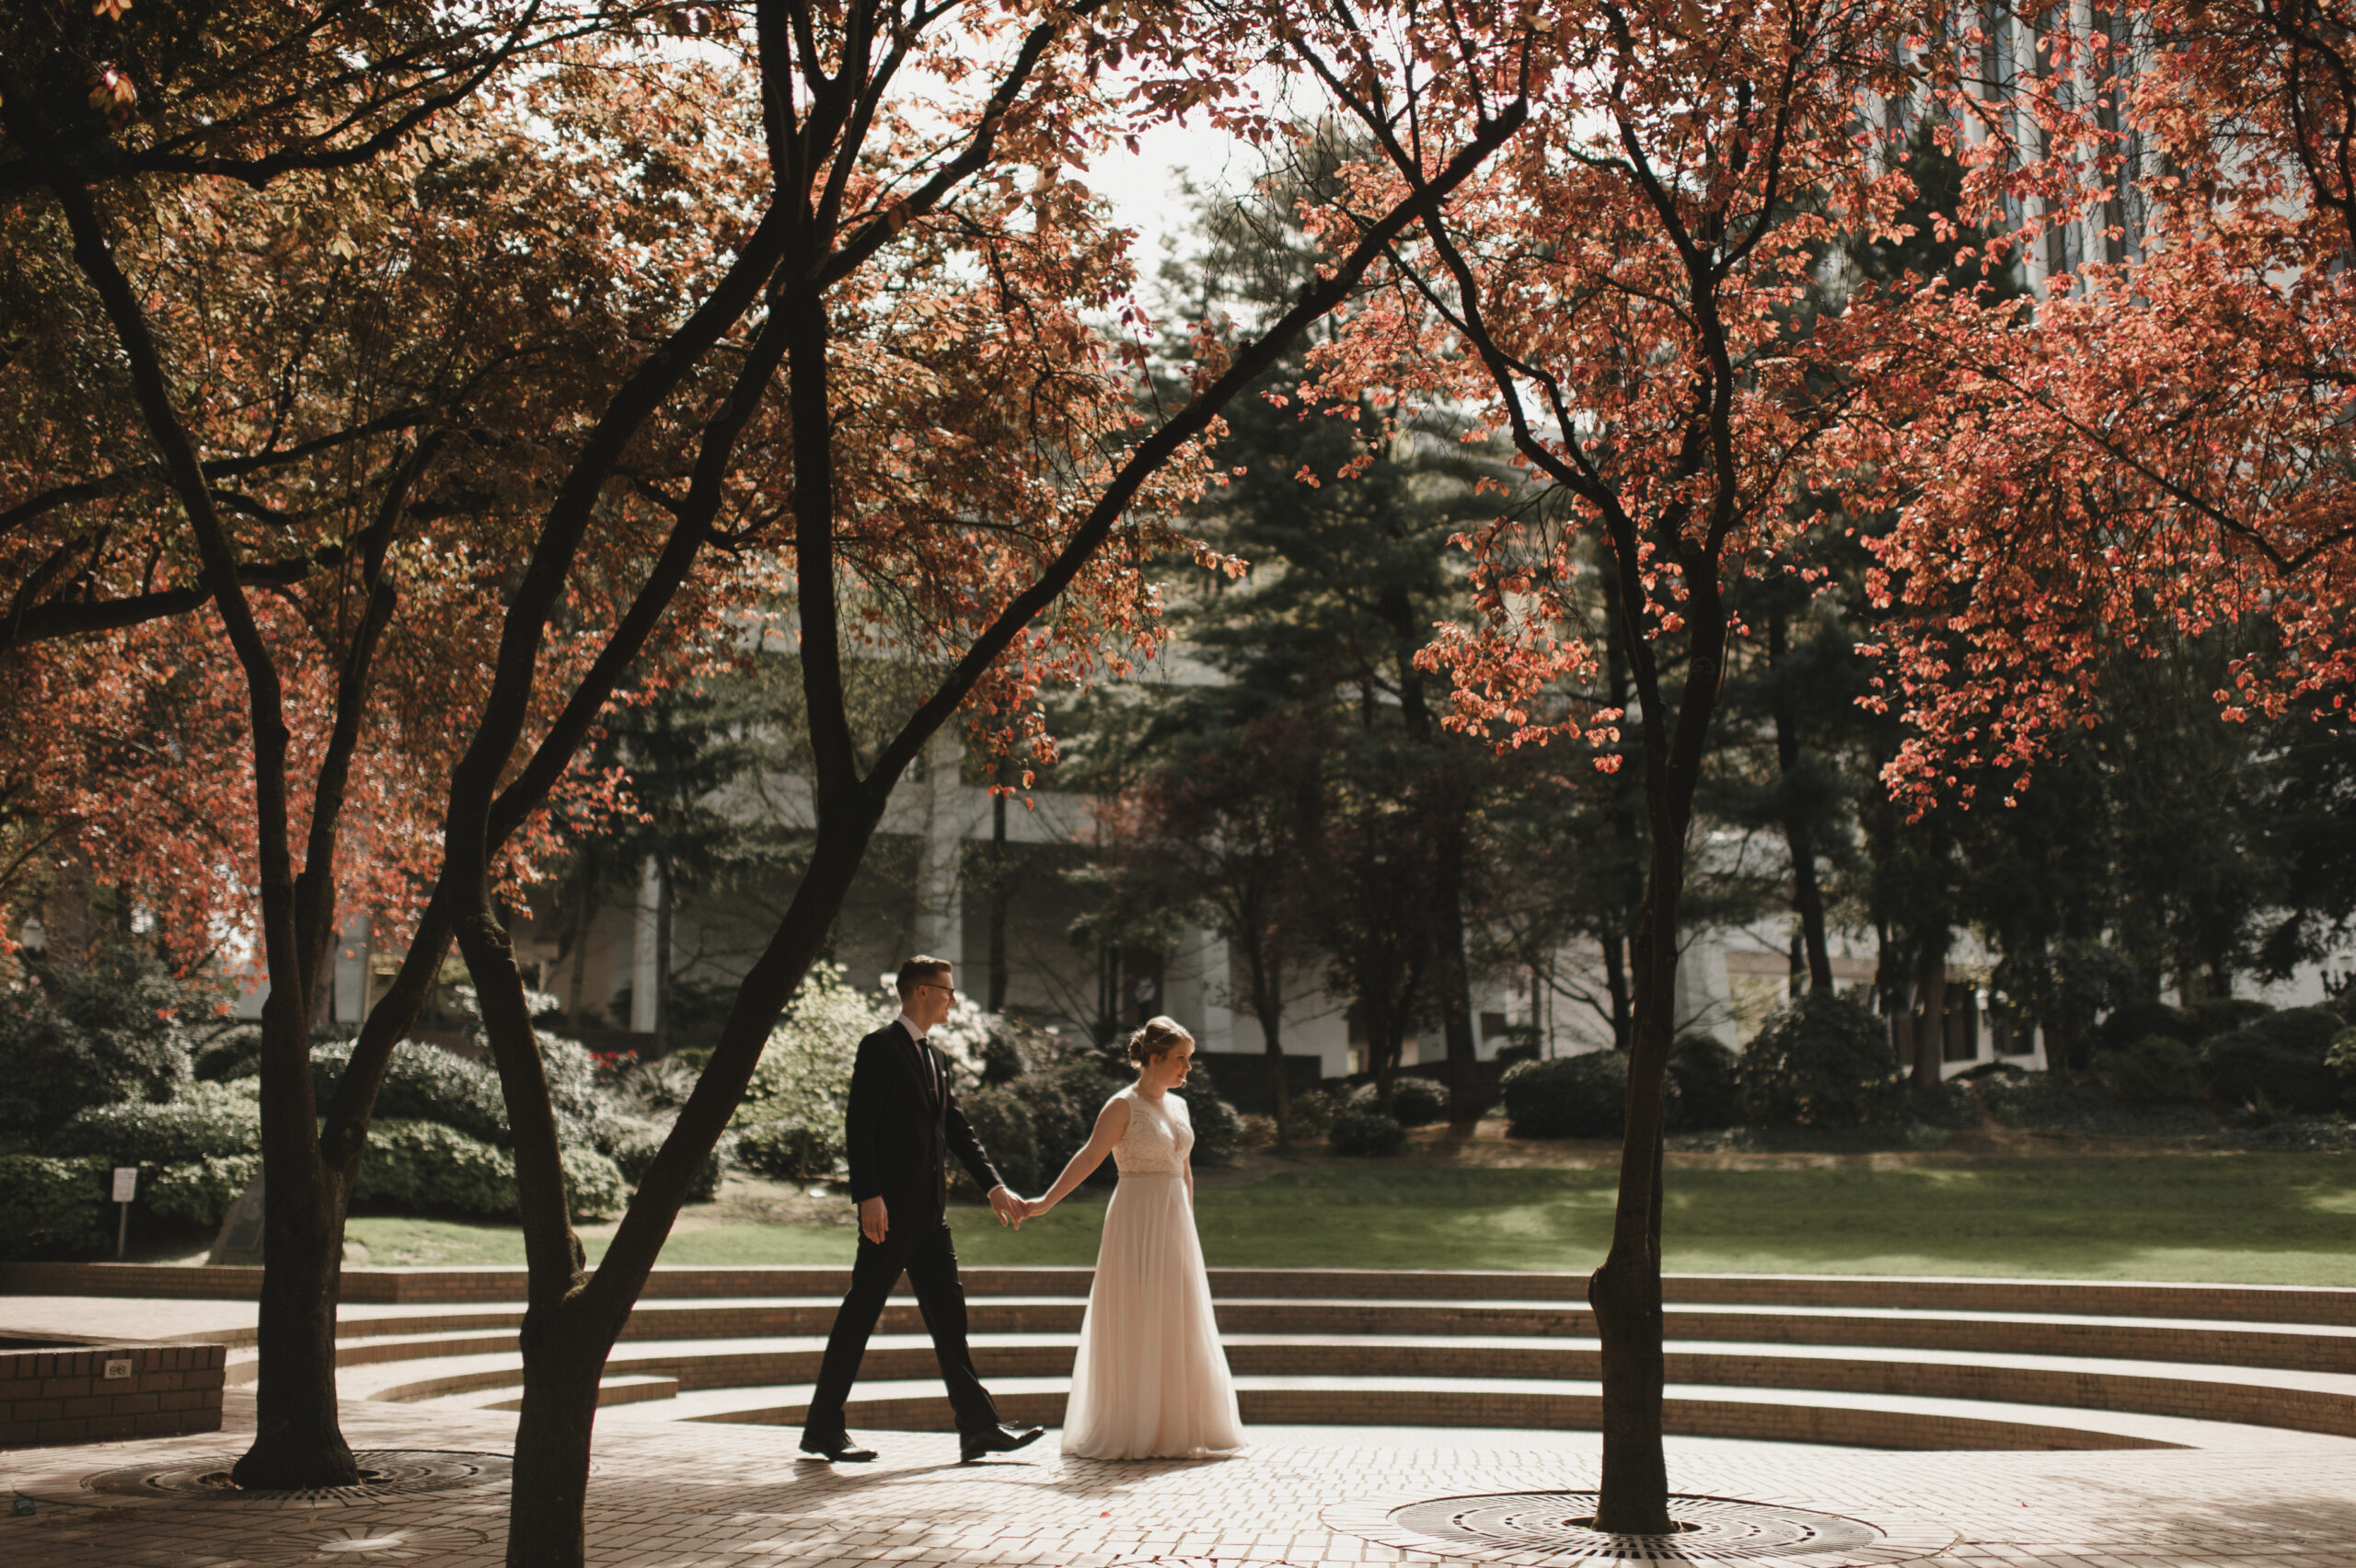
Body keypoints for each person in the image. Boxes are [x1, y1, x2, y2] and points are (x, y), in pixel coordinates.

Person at [799, 956, 1045, 1465]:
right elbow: (859, 1126)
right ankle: (823, 1429)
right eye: (947, 990)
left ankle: (978, 1428)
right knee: (860, 1316)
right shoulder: (880, 1048)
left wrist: (993, 1187)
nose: (953, 998)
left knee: (950, 1320)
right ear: (921, 992)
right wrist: (869, 1195)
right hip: (888, 1215)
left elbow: (958, 1132)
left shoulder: (936, 1059)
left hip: (931, 1217)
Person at [1020, 1016, 1245, 1460]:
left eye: (1189, 1060)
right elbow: (1089, 1156)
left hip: (1175, 1223)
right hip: (1135, 1220)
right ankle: (1133, 1426)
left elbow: (1185, 1169)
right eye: (1180, 1059)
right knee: (1137, 1314)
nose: (1187, 1069)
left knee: (1176, 1316)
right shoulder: (1122, 1105)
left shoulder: (1179, 1107)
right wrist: (1045, 1202)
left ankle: (1177, 1426)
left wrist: (1189, 1224)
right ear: (1154, 1059)